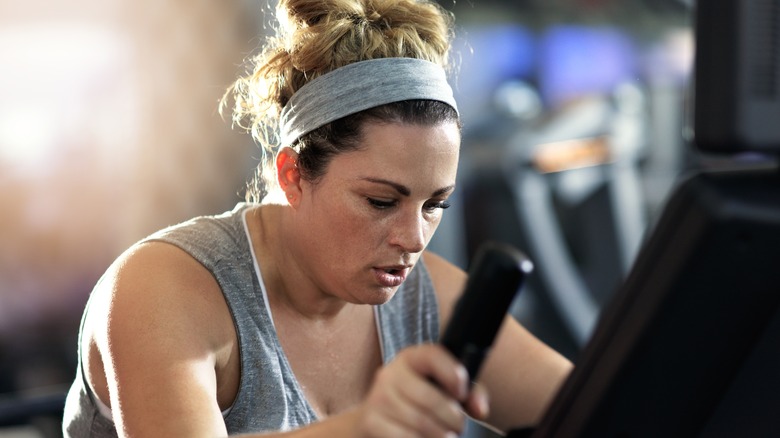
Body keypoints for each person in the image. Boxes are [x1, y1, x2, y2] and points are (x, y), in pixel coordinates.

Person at [62, 0, 573, 436]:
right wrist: (366, 425)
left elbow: (605, 402)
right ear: (293, 175)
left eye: (434, 204)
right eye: (379, 201)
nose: (414, 238)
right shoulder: (162, 289)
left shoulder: (425, 298)